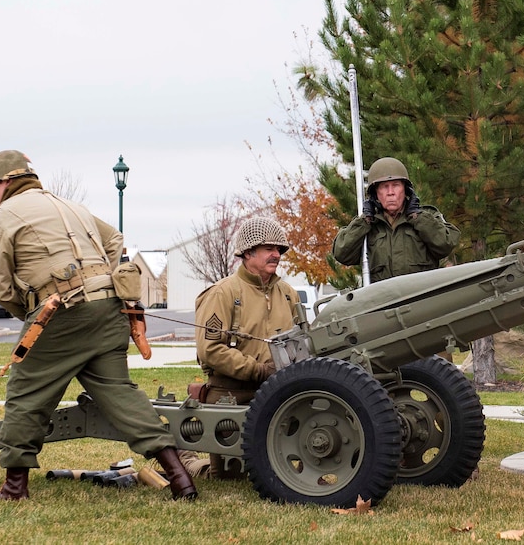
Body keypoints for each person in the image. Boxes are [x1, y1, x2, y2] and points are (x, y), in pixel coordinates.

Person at [0, 150, 196, 501]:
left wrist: (31, 313)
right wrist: (98, 280)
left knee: (25, 395)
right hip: (109, 310)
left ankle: (14, 488)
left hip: (62, 312)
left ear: (5, 182)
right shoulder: (71, 207)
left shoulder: (5, 216)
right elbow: (114, 240)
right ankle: (180, 476)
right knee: (121, 394)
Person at [185, 216, 301, 479]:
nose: (276, 255)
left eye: (279, 250)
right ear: (248, 253)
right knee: (229, 477)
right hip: (231, 395)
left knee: (281, 473)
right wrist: (259, 371)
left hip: (280, 394)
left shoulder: (288, 294)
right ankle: (186, 460)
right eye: (269, 249)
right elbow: (210, 350)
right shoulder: (222, 293)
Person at [332, 157, 460, 282]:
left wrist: (418, 218)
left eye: (396, 185)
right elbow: (342, 254)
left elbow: (446, 244)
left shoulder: (426, 216)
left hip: (421, 298)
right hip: (385, 299)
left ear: (406, 190)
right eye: (384, 186)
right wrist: (364, 221)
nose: (390, 192)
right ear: (375, 193)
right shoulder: (367, 225)